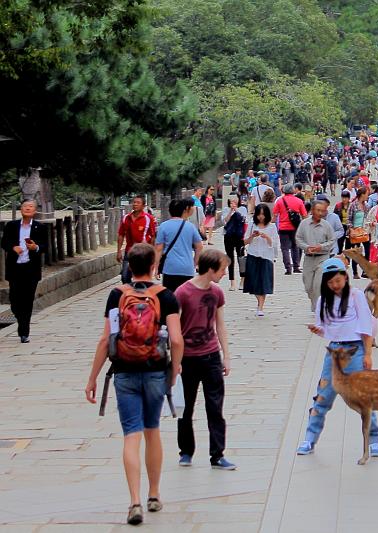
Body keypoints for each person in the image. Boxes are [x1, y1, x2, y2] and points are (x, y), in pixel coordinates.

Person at [84, 243, 183, 525]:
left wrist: (92, 377)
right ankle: (154, 494)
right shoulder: (166, 296)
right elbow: (176, 339)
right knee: (152, 430)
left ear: (129, 266)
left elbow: (107, 339)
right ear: (154, 266)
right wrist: (175, 368)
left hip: (124, 371)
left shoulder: (117, 295)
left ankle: (134, 501)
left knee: (131, 434)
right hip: (155, 371)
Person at [296, 258, 378, 456]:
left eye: (338, 281)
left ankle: (374, 439)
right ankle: (310, 438)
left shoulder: (356, 295)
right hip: (334, 353)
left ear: (345, 277)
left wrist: (368, 354)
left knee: (363, 397)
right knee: (323, 395)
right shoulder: (322, 300)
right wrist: (318, 330)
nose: (335, 285)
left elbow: (366, 327)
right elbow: (326, 330)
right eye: (331, 282)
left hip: (356, 349)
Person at [174, 249, 236, 471]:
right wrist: (175, 360)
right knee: (186, 408)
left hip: (211, 356)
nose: (223, 274)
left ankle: (217, 454)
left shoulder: (217, 293)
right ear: (210, 269)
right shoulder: (182, 293)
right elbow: (175, 329)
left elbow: (220, 324)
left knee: (215, 407)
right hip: (188, 358)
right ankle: (186, 451)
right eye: (222, 270)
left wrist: (226, 356)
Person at [1, 199, 48, 343]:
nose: (28, 208)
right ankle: (19, 317)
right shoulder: (12, 226)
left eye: (31, 206)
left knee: (27, 300)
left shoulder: (40, 227)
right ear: (21, 209)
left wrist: (36, 248)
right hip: (15, 268)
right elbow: (4, 242)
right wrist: (13, 248)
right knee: (15, 300)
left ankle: (24, 332)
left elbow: (45, 246)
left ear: (35, 210)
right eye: (25, 206)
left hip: (30, 268)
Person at [154, 198, 204, 293]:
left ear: (170, 211)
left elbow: (158, 249)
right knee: (186, 298)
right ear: (183, 210)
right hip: (187, 268)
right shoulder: (190, 227)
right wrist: (194, 263)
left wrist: (156, 267)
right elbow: (199, 247)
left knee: (171, 298)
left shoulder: (163, 226)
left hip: (170, 268)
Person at [296, 201, 336, 309]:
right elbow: (298, 238)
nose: (320, 213)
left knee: (318, 285)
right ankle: (314, 302)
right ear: (312, 210)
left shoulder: (326, 225)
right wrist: (306, 247)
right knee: (308, 286)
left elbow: (332, 240)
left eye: (322, 211)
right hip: (309, 258)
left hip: (322, 258)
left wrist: (321, 247)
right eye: (318, 210)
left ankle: (318, 308)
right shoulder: (304, 224)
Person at [243, 203, 280, 317]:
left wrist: (266, 237)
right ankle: (259, 301)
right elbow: (245, 241)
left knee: (264, 282)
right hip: (253, 254)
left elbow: (274, 243)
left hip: (266, 256)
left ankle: (260, 306)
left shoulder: (272, 226)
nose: (261, 217)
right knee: (253, 282)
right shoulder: (252, 224)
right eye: (259, 214)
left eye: (263, 215)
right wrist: (252, 237)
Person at [117, 195, 158, 284]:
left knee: (142, 277)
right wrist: (119, 251)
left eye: (138, 203)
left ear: (143, 206)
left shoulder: (148, 218)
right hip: (129, 251)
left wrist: (152, 252)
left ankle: (140, 293)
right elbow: (121, 235)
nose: (135, 204)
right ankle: (129, 292)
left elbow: (153, 236)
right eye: (134, 202)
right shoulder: (126, 218)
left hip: (143, 252)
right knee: (125, 276)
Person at [274, 183, 308, 275]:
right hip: (295, 227)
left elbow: (275, 214)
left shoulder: (280, 201)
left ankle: (288, 268)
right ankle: (296, 266)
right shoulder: (298, 201)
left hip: (283, 227)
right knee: (295, 246)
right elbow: (304, 215)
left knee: (285, 248)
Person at [222, 197, 246, 291]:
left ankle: (243, 280)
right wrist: (230, 211)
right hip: (228, 236)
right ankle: (232, 282)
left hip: (239, 236)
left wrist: (236, 210)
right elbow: (225, 221)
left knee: (241, 257)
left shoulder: (242, 209)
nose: (234, 203)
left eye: (235, 201)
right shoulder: (225, 209)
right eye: (232, 201)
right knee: (230, 258)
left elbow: (243, 220)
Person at [348, 187, 371, 278]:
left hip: (365, 230)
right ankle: (355, 272)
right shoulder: (353, 205)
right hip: (355, 231)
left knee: (367, 251)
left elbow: (368, 218)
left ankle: (365, 270)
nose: (367, 196)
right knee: (356, 252)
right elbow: (349, 219)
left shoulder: (367, 206)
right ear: (362, 195)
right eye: (366, 194)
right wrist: (351, 229)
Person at [334, 190, 351, 255]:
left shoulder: (351, 205)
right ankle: (339, 257)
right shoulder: (338, 206)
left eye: (346, 197)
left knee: (348, 245)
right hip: (341, 226)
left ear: (348, 198)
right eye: (343, 197)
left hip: (349, 227)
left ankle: (347, 260)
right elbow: (334, 216)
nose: (344, 199)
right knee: (339, 243)